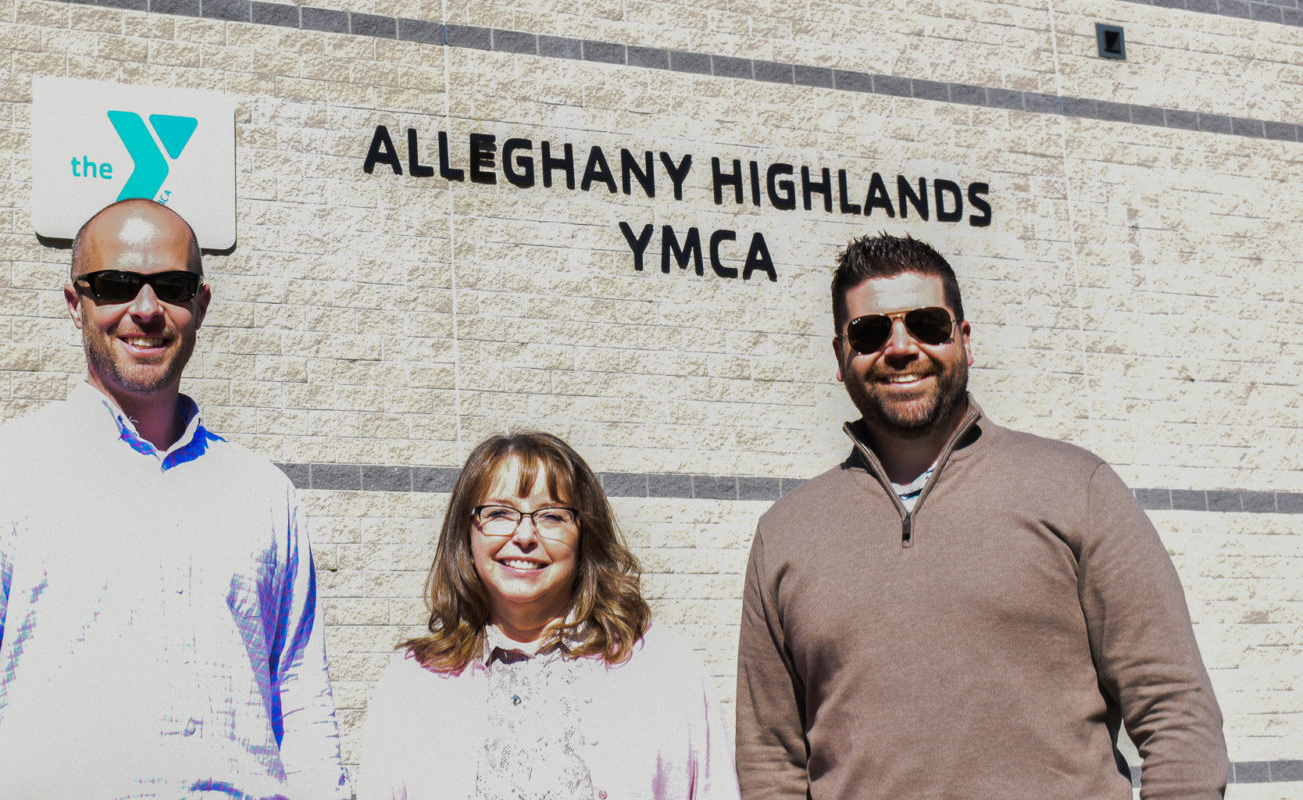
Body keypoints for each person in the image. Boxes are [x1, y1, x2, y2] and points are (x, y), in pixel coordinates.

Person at [735, 232, 1228, 798]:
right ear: (841, 358)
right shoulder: (786, 534)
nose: (900, 347)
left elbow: (1175, 712)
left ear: (965, 340)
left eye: (927, 324)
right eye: (871, 332)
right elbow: (770, 762)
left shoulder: (1076, 488)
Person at [0, 199, 350, 799]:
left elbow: (304, 706)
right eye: (115, 285)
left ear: (201, 305)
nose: (147, 309)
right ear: (75, 305)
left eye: (173, 286)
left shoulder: (266, 495)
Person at [358, 432, 738, 800]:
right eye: (499, 513)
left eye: (552, 516)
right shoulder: (412, 686)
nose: (525, 534)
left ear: (585, 535)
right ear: (466, 535)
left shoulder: (665, 670)